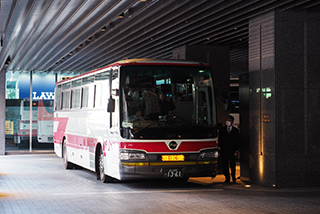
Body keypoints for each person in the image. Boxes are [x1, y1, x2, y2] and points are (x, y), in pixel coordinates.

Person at [218, 115, 240, 183]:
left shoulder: (235, 131)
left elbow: (237, 141)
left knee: (232, 164)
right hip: (224, 150)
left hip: (232, 150)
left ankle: (233, 176)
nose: (228, 122)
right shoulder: (222, 130)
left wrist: (236, 150)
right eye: (227, 120)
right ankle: (227, 177)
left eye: (229, 121)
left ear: (232, 122)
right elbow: (220, 140)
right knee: (225, 164)